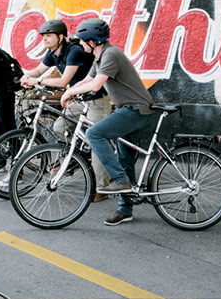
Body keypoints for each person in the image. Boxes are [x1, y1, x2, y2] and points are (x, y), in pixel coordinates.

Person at [60, 18, 155, 226]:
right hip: (127, 109)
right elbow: (87, 80)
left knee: (94, 134)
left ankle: (119, 180)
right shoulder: (99, 57)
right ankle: (125, 209)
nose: (80, 44)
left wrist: (69, 93)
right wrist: (71, 92)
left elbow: (95, 86)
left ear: (93, 41)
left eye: (82, 40)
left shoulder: (111, 54)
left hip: (136, 110)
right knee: (125, 158)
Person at [20, 19, 113, 201]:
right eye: (43, 36)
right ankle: (76, 158)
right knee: (60, 128)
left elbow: (63, 82)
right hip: (77, 99)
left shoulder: (74, 51)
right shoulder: (52, 52)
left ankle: (103, 188)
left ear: (61, 37)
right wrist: (23, 77)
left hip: (96, 100)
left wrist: (36, 82)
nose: (45, 39)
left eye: (48, 36)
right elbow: (38, 71)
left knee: (96, 141)